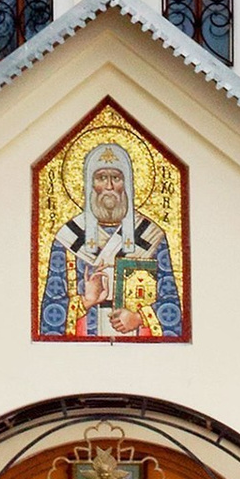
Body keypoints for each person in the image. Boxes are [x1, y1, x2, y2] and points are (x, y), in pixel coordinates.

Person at [40, 141, 183, 339]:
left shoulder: (151, 236)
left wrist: (139, 317)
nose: (109, 186)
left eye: (116, 178)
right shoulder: (68, 238)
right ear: (90, 184)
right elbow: (50, 312)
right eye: (101, 178)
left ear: (127, 184)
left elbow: (173, 305)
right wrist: (85, 301)